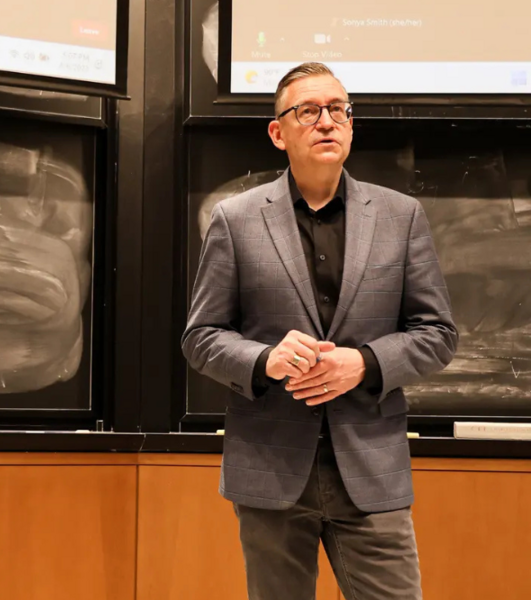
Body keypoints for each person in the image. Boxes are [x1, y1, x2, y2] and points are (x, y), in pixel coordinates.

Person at [182, 62, 457, 600]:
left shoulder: (402, 216)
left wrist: (366, 363)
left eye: (338, 110)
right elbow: (202, 336)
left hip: (372, 468)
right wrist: (265, 360)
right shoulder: (235, 219)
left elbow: (438, 333)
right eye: (309, 111)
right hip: (271, 467)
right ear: (278, 132)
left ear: (352, 125)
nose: (327, 121)